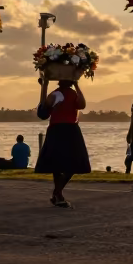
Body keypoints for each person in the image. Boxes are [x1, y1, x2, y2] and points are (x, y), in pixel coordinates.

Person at [34, 77, 92, 207]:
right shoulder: (56, 94)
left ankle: (57, 192)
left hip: (68, 129)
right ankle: (58, 194)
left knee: (73, 162)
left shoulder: (71, 94)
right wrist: (44, 86)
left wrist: (77, 86)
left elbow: (82, 104)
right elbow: (43, 111)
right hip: (60, 129)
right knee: (58, 164)